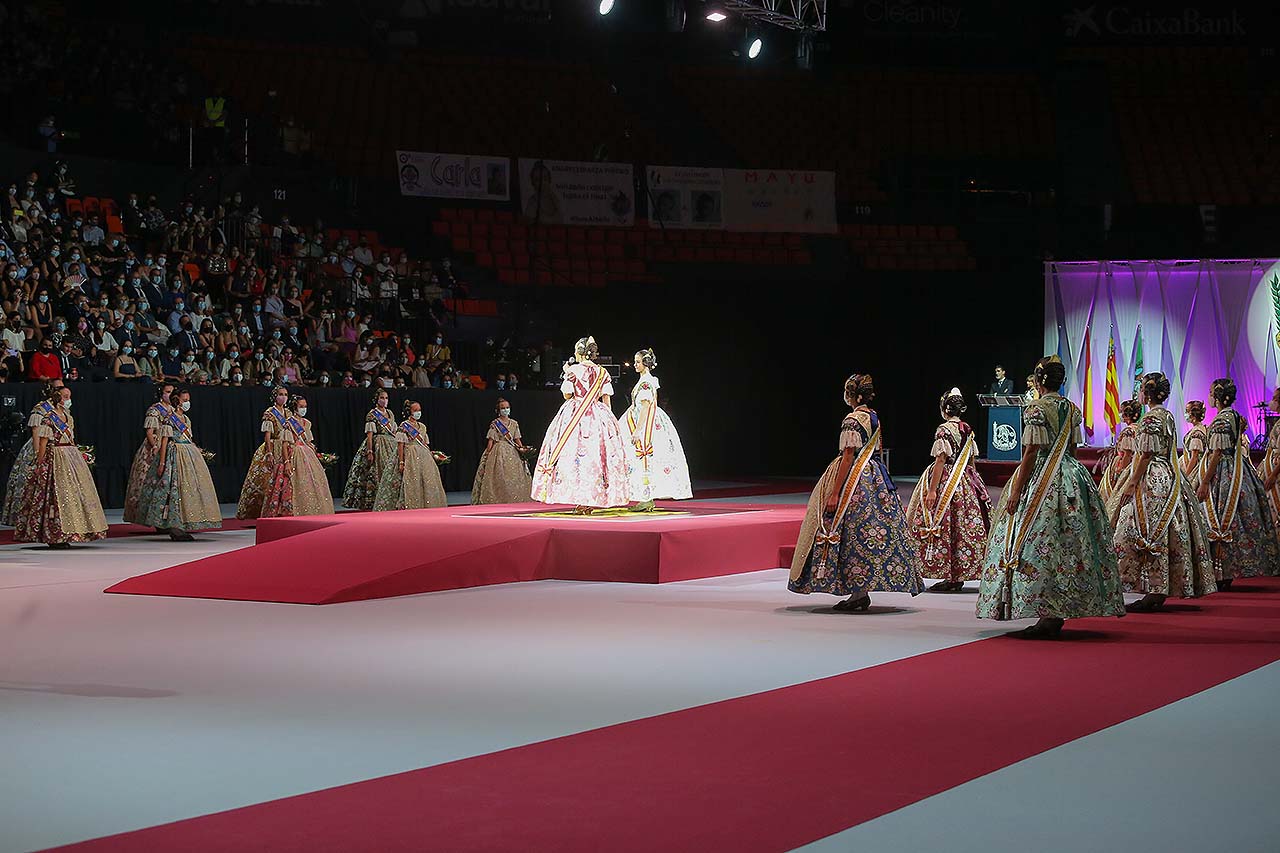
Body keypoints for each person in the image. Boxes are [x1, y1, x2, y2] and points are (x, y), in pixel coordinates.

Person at [976, 357, 1125, 639]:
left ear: (1040, 380)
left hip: (1042, 477)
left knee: (1037, 541)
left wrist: (1018, 490)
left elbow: (1031, 452)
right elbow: (1072, 447)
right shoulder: (1071, 408)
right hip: (1071, 476)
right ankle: (1061, 606)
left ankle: (1045, 610)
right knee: (1069, 542)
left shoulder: (1036, 409)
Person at [789, 374, 925, 610]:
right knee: (868, 530)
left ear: (855, 396)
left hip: (854, 477)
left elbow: (848, 455)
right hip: (874, 476)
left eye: (848, 392)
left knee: (850, 530)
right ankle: (860, 591)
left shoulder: (852, 420)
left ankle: (857, 591)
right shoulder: (873, 417)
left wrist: (834, 492)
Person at [1111, 373, 1215, 611]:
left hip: (1151, 477)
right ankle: (1160, 587)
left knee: (1135, 527)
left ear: (1147, 394)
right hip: (1170, 474)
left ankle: (1151, 585)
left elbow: (1146, 455)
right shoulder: (1167, 416)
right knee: (1171, 530)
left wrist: (1132, 482)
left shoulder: (1149, 420)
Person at [530, 336, 629, 513]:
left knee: (576, 455)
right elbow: (606, 399)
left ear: (580, 352)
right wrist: (610, 423)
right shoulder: (602, 372)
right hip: (599, 414)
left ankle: (580, 498)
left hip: (576, 413)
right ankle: (595, 497)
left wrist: (568, 373)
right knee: (597, 457)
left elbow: (567, 394)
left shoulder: (573, 370)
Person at [905, 388, 992, 592]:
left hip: (947, 480)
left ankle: (950, 575)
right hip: (966, 480)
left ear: (945, 408)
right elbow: (971, 460)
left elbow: (941, 460)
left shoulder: (943, 429)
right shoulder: (967, 428)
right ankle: (957, 575)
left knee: (946, 525)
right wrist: (975, 481)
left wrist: (933, 491)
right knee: (961, 527)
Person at [1197, 378, 1280, 588]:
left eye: (1210, 392)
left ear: (1217, 396)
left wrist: (1205, 481)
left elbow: (1216, 453)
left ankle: (1221, 571)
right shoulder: (1235, 416)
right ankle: (1228, 570)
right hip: (1238, 469)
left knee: (1219, 517)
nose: (1208, 396)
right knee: (1237, 519)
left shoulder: (1221, 421)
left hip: (1223, 474)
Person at [13, 383, 108, 548]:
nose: (68, 400)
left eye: (69, 397)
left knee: (74, 496)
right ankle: (54, 534)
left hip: (70, 457)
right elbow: (43, 442)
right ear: (58, 398)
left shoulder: (68, 416)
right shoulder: (48, 418)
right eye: (65, 397)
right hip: (55, 457)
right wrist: (39, 462)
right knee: (54, 497)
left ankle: (73, 532)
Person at [134, 389, 222, 541]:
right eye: (185, 399)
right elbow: (164, 440)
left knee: (188, 490)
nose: (187, 402)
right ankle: (175, 527)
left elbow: (188, 438)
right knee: (174, 490)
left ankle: (185, 523)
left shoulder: (187, 419)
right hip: (174, 454)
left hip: (188, 454)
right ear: (178, 401)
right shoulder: (170, 418)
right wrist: (161, 462)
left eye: (189, 399)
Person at [617, 349, 692, 511]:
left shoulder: (646, 382)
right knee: (642, 458)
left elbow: (645, 407)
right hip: (643, 418)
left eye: (638, 362)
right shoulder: (647, 380)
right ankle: (646, 497)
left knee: (644, 456)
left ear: (646, 364)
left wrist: (638, 430)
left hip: (646, 423)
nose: (635, 364)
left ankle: (646, 497)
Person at [1, 380, 64, 527]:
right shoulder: (41, 409)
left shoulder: (60, 409)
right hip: (40, 446)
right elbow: (36, 432)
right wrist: (37, 455)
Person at [260, 395, 335, 517]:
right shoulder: (289, 423)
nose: (304, 409)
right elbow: (285, 445)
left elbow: (309, 441)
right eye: (301, 407)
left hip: (307, 455)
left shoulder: (307, 423)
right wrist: (286, 462)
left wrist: (317, 453)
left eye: (305, 406)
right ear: (295, 407)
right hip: (294, 454)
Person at [374, 401, 448, 510]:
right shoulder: (404, 425)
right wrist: (401, 462)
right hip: (409, 456)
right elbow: (400, 445)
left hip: (424, 458)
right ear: (409, 412)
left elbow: (425, 444)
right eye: (415, 410)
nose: (418, 412)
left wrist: (433, 454)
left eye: (419, 410)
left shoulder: (422, 426)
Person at [236, 387, 297, 519]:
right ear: (275, 396)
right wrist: (269, 453)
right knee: (269, 480)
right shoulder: (270, 413)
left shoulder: (288, 412)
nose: (284, 397)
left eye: (286, 395)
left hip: (287, 447)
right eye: (281, 394)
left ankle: (283, 508)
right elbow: (267, 435)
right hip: (274, 446)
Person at [122, 383, 177, 525]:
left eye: (172, 392)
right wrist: (156, 448)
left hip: (170, 447)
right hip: (155, 448)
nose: (170, 395)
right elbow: (149, 433)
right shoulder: (154, 410)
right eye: (167, 392)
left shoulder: (174, 410)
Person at [342, 388, 399, 510]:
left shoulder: (390, 413)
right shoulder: (372, 414)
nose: (384, 400)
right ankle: (375, 500)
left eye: (386, 398)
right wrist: (370, 451)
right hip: (377, 444)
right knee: (378, 471)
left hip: (391, 443)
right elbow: (369, 434)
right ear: (376, 399)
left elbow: (394, 431)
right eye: (382, 398)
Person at [471, 398, 534, 505]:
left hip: (512, 452)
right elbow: (491, 440)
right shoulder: (495, 424)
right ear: (498, 410)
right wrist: (487, 453)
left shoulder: (514, 423)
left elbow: (517, 439)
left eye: (507, 408)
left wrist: (522, 450)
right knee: (499, 476)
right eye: (503, 408)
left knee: (513, 476)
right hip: (498, 451)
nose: (505, 410)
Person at [1098, 399, 1142, 521]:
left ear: (1127, 415)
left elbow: (1127, 453)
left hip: (1125, 465)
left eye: (1121, 412)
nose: (1120, 414)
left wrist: (1121, 472)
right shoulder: (1139, 428)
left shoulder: (1128, 431)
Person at [1180, 400, 1209, 485]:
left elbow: (1194, 457)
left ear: (1193, 415)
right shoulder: (1200, 429)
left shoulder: (1197, 433)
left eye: (1187, 411)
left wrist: (1186, 477)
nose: (1185, 414)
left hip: (1195, 471)